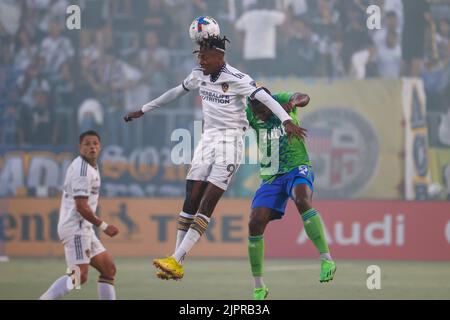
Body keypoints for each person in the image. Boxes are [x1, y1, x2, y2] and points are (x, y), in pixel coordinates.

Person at [124, 35, 307, 280]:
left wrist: (286, 120)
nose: (201, 60)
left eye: (205, 56)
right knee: (191, 195)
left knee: (207, 201)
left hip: (231, 141)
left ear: (220, 56)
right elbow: (176, 92)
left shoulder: (238, 78)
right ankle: (176, 259)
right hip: (207, 138)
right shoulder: (199, 74)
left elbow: (263, 97)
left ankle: (176, 260)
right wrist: (144, 109)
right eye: (199, 55)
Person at [245, 87, 336, 300]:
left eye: (262, 111)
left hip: (297, 166)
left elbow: (304, 97)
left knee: (301, 198)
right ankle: (259, 286)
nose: (258, 116)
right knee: (254, 223)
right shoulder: (250, 111)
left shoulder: (280, 101)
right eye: (254, 112)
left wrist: (294, 103)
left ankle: (326, 259)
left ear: (269, 104)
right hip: (271, 176)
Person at [39, 130, 119, 300]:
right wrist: (104, 226)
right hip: (76, 228)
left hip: (84, 228)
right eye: (87, 144)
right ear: (79, 147)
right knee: (79, 275)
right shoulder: (82, 171)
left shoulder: (91, 166)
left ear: (100, 146)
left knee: (108, 269)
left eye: (95, 143)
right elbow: (81, 207)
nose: (92, 147)